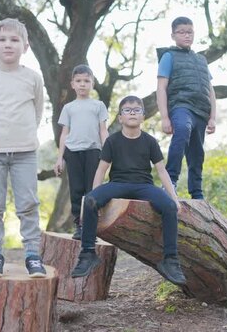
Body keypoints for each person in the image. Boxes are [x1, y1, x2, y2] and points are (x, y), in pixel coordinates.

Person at [70, 95, 186, 285]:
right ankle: (88, 253)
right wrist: (91, 196)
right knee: (90, 200)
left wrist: (173, 197)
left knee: (169, 207)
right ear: (121, 117)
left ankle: (170, 260)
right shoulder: (112, 141)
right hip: (118, 184)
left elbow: (162, 171)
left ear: (143, 116)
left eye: (136, 110)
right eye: (127, 110)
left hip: (144, 185)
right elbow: (101, 169)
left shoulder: (150, 141)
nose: (132, 113)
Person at [0, 18, 47, 277]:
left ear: (25, 46)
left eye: (15, 40)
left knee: (28, 204)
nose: (8, 44)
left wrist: (22, 135)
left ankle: (32, 255)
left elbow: (37, 112)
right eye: (3, 39)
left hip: (25, 152)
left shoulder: (33, 78)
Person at [156, 16, 216, 200]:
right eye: (181, 32)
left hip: (201, 111)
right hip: (180, 106)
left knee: (197, 153)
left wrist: (213, 117)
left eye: (189, 32)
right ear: (173, 35)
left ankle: (197, 193)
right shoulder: (169, 56)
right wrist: (164, 117)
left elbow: (210, 91)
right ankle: (170, 182)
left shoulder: (201, 60)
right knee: (182, 130)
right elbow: (161, 88)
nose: (186, 35)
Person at [54, 64, 109, 240]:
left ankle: (91, 225)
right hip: (73, 152)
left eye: (86, 81)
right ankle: (79, 225)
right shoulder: (69, 108)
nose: (82, 84)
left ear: (92, 83)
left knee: (92, 189)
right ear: (72, 84)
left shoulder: (98, 105)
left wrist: (108, 153)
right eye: (78, 81)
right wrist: (60, 158)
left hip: (93, 151)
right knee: (76, 190)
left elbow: (103, 131)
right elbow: (64, 134)